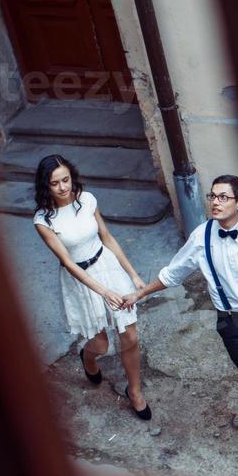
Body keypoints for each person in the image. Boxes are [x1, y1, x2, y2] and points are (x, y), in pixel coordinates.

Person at [123, 175, 238, 474]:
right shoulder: (201, 237)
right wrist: (138, 293)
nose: (215, 202)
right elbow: (172, 274)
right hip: (231, 324)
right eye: (212, 196)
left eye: (223, 197)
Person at [31, 154, 152, 420]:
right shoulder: (44, 221)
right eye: (55, 183)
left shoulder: (87, 199)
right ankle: (87, 359)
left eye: (66, 179)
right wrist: (103, 291)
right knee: (101, 344)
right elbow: (67, 263)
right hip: (80, 279)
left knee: (129, 335)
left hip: (106, 265)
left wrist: (132, 274)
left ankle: (134, 391)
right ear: (45, 186)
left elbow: (106, 236)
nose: (63, 187)